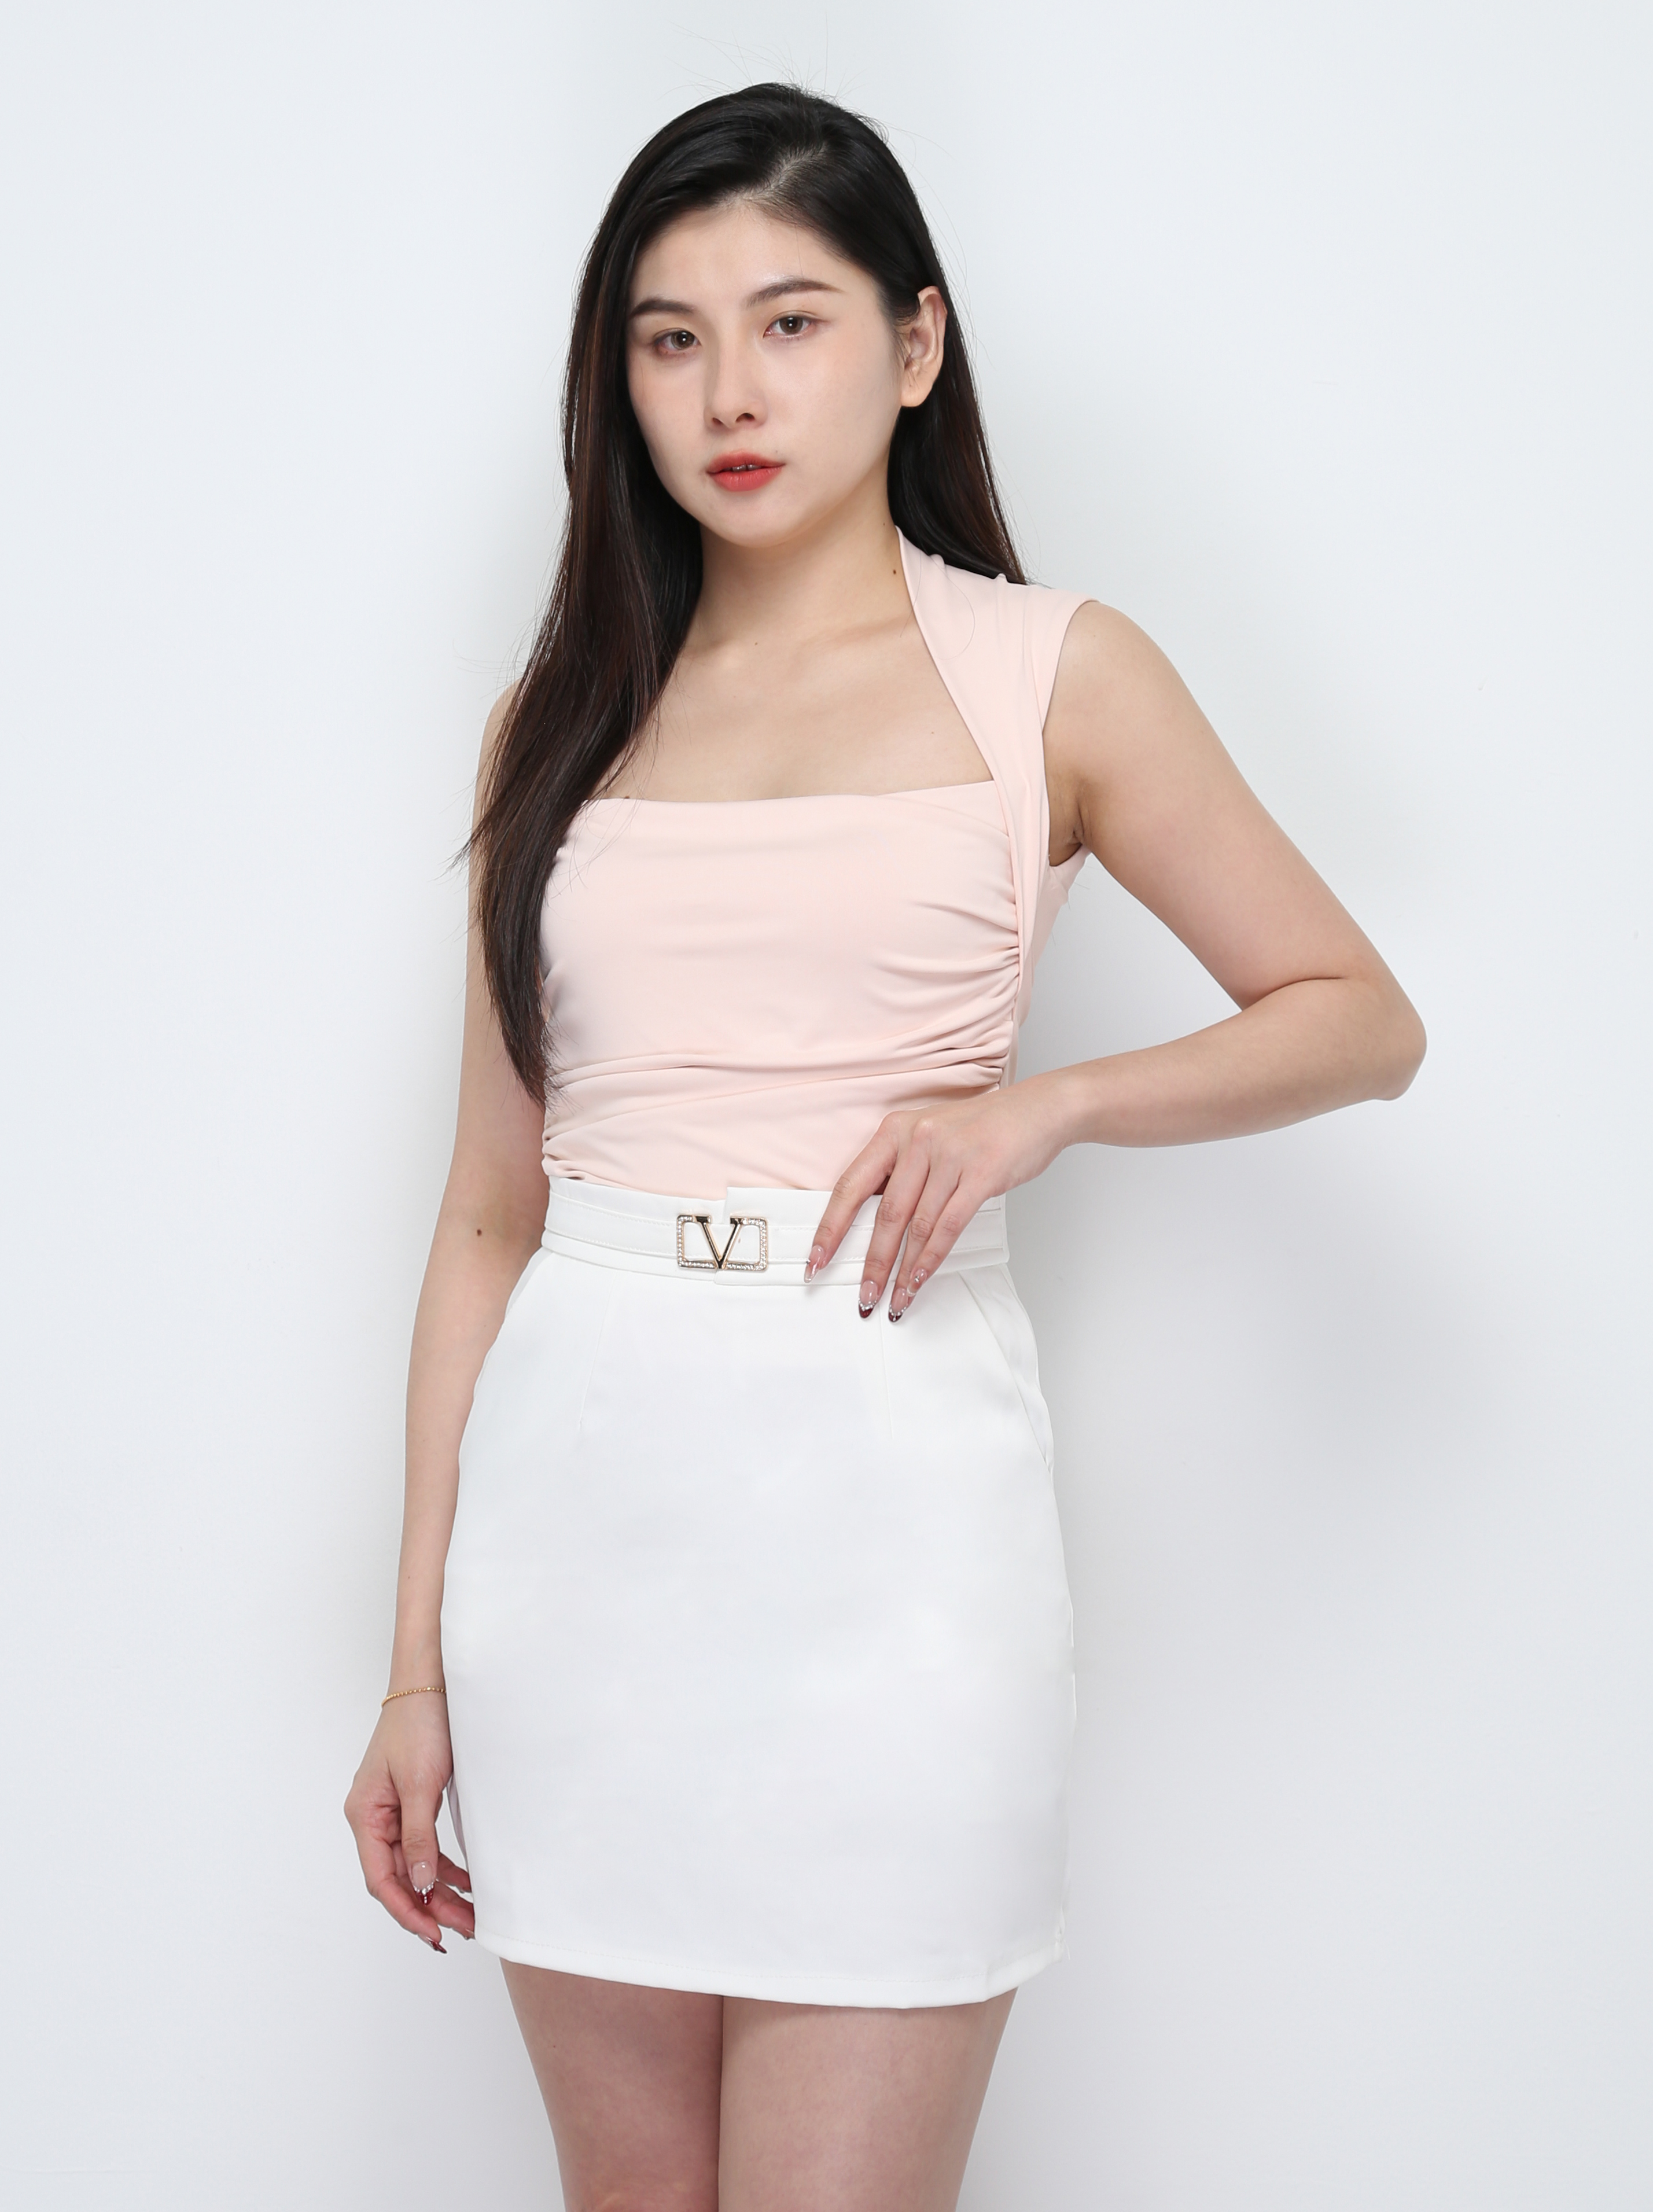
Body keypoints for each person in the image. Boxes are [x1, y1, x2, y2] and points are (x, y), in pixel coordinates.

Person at [344, 81, 1424, 2212]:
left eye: (791, 322)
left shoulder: (1053, 676)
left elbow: (1355, 1017)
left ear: (914, 343)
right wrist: (412, 1674)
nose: (728, 394)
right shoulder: (558, 717)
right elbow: (483, 1220)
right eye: (668, 339)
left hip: (895, 1546)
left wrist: (1048, 1106)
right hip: (581, 1543)